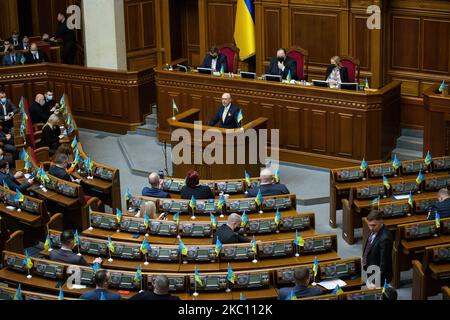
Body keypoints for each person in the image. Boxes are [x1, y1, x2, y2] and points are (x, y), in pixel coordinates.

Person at [362, 210, 393, 285]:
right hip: (371, 268)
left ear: (381, 221)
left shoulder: (385, 239)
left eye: (373, 225)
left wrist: (377, 280)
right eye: (369, 225)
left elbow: (384, 262)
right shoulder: (376, 230)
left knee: (376, 294)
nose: (371, 228)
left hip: (378, 275)